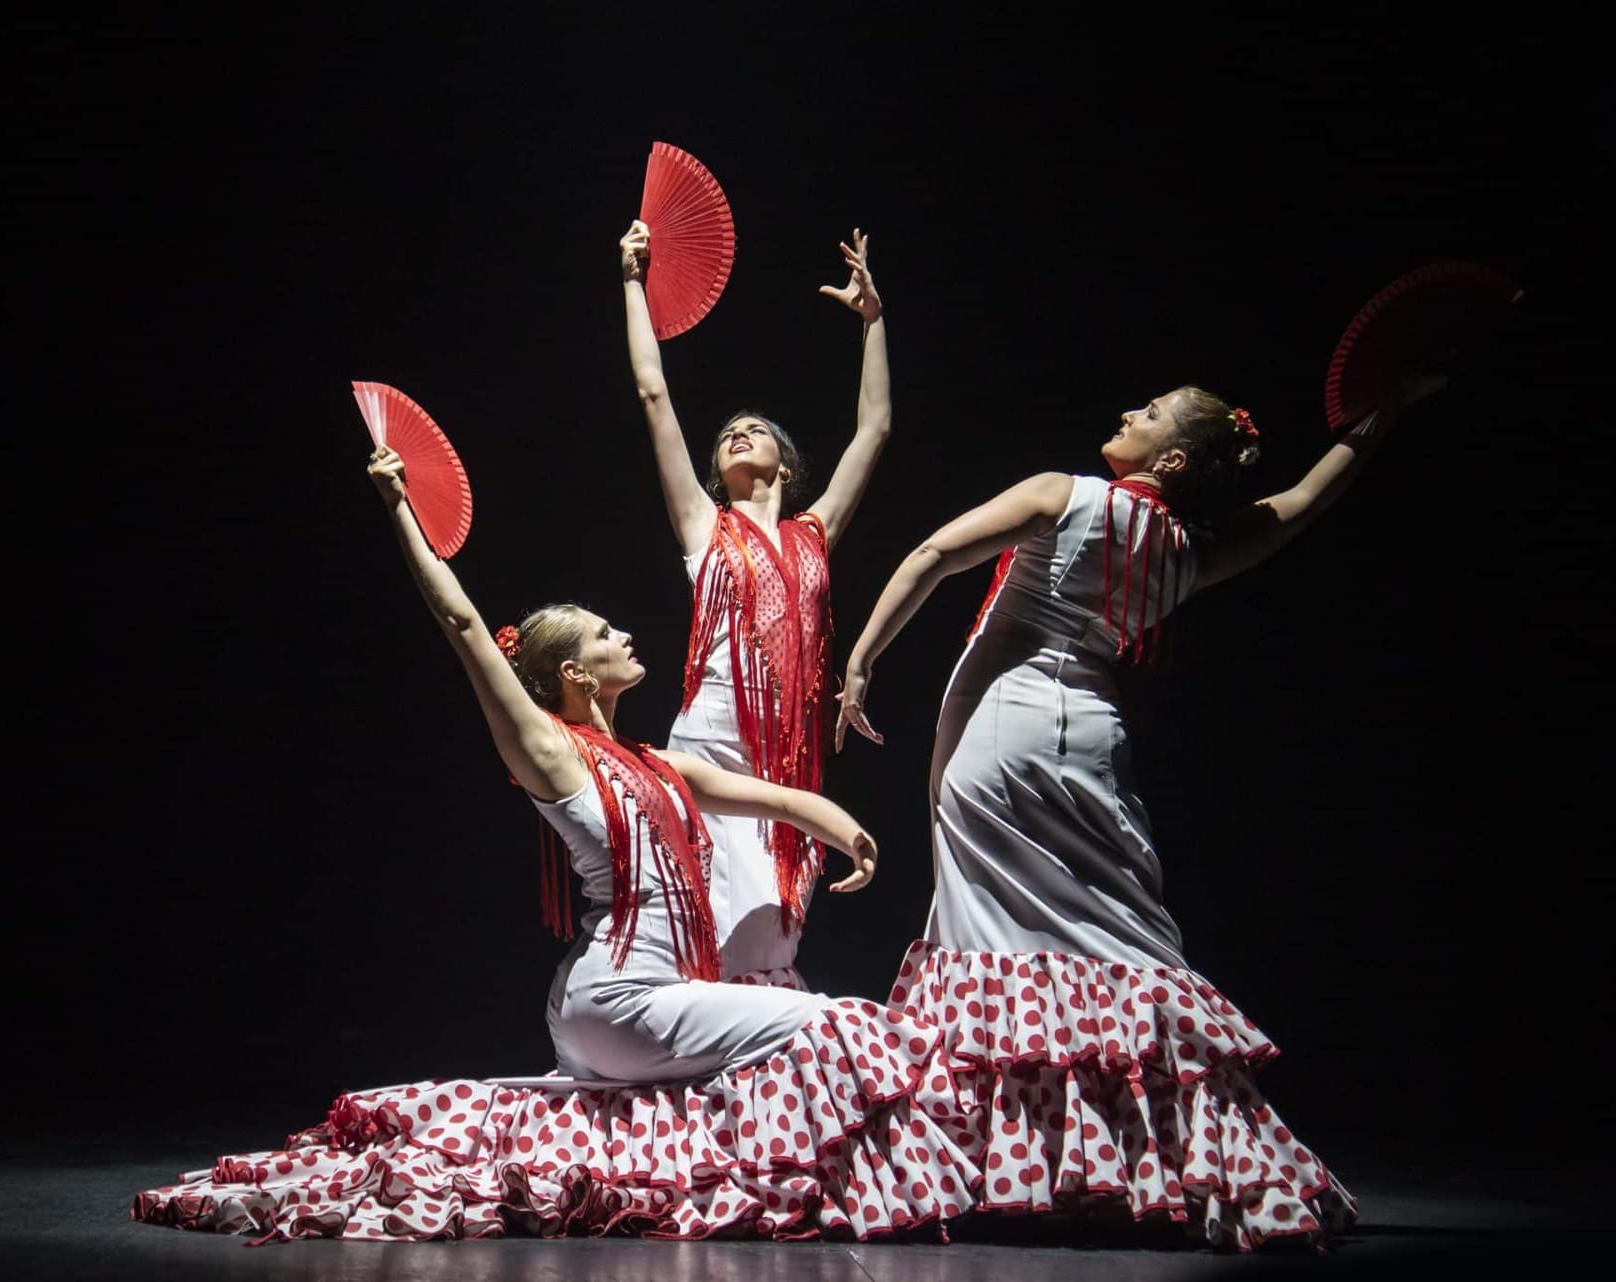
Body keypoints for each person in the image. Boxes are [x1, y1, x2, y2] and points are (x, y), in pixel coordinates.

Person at [132, 445, 976, 1242]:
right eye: (607, 637)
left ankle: (799, 1194)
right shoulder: (550, 752)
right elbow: (462, 623)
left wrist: (849, 831)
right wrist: (398, 508)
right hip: (619, 1000)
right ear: (575, 674)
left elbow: (774, 796)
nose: (628, 639)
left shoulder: (653, 760)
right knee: (839, 1026)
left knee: (810, 1033)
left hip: (626, 1003)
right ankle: (849, 1199)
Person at [834, 378, 1443, 1249]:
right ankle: (1199, 1162)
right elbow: (1303, 502)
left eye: (1148, 414)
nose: (1125, 413)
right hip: (1092, 734)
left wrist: (861, 660)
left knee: (987, 935)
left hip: (1005, 726)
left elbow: (935, 554)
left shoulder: (1063, 493)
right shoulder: (1193, 551)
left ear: (1173, 459)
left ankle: (1007, 1163)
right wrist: (1382, 417)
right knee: (1117, 934)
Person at [620, 220, 892, 988]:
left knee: (773, 932)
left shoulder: (814, 534)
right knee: (709, 926)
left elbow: (874, 430)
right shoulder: (705, 528)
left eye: (755, 430)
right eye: (728, 436)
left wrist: (873, 321)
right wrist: (634, 283)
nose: (738, 434)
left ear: (785, 460)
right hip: (709, 740)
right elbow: (651, 393)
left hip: (791, 755)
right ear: (715, 470)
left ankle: (753, 1083)